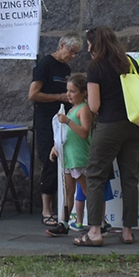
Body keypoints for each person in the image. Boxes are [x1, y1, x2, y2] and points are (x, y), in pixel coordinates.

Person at [76, 25, 139, 247]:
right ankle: (127, 231)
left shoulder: (96, 67)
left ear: (95, 44)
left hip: (109, 125)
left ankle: (94, 231)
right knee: (130, 179)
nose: (87, 47)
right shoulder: (129, 62)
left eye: (88, 43)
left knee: (95, 175)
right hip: (134, 124)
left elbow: (94, 106)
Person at [27, 35, 82, 231]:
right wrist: (58, 97)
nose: (73, 56)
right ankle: (46, 209)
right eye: (71, 51)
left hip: (62, 120)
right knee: (49, 160)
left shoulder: (66, 69)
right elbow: (33, 94)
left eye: (76, 53)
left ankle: (64, 208)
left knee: (64, 160)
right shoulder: (45, 64)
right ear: (61, 46)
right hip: (45, 120)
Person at [47, 72, 92, 237]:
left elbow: (84, 133)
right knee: (68, 191)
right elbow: (65, 135)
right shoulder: (72, 109)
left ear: (84, 92)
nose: (68, 95)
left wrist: (68, 121)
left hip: (79, 157)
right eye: (68, 91)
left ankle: (97, 222)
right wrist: (55, 146)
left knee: (88, 190)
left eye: (73, 91)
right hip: (68, 157)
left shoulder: (83, 110)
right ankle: (64, 222)